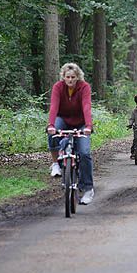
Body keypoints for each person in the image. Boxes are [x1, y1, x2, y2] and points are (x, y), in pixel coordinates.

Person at [46, 62, 95, 205]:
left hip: (80, 123)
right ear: (63, 77)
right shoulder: (58, 87)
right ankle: (56, 163)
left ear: (78, 77)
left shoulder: (84, 87)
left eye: (73, 77)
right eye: (68, 77)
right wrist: (50, 125)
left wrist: (88, 126)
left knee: (84, 153)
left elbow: (86, 106)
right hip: (63, 119)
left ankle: (87, 189)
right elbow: (54, 106)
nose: (70, 80)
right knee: (53, 131)